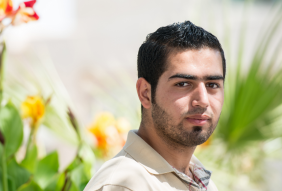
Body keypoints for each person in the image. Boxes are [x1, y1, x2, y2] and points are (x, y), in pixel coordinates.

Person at [84, 21, 225, 191]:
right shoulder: (124, 184)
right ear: (145, 93)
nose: (203, 100)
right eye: (183, 84)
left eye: (212, 85)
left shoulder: (204, 182)